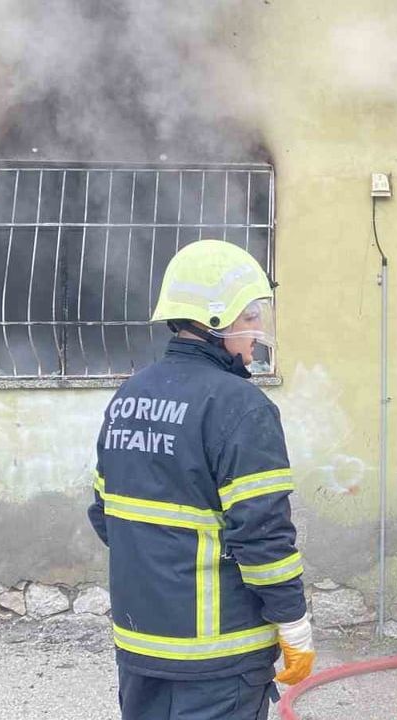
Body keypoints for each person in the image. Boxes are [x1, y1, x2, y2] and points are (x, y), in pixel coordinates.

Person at [88, 240, 313, 720]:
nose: (256, 334)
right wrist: (292, 619)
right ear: (215, 321)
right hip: (219, 655)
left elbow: (104, 514)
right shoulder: (241, 407)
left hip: (141, 644)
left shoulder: (129, 396)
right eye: (250, 317)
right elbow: (263, 535)